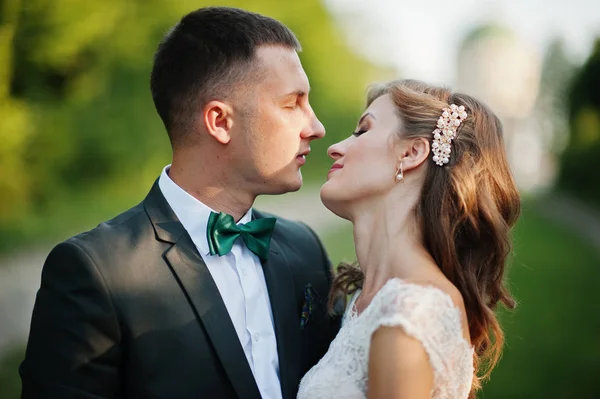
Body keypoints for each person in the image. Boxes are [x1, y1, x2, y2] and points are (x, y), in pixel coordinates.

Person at [20, 7, 340, 399]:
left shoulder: (304, 248)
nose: (317, 127)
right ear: (220, 122)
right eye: (293, 104)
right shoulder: (97, 272)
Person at [297, 79, 521, 398]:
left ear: (412, 152)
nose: (336, 147)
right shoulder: (369, 300)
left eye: (362, 131)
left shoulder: (410, 312)